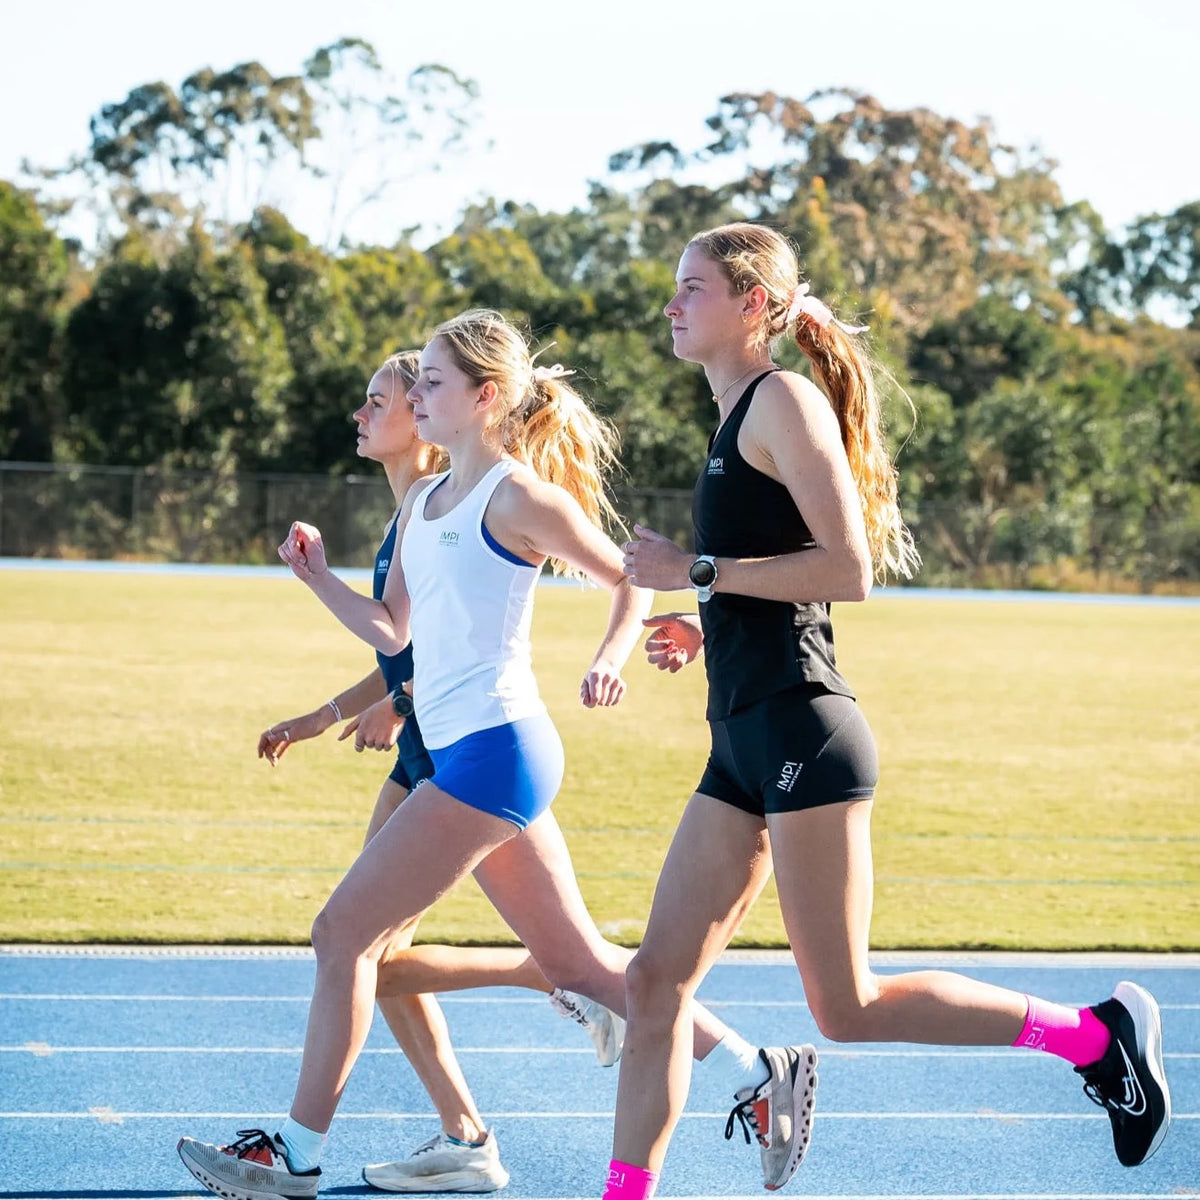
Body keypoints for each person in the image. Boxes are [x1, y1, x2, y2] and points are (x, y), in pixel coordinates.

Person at [605, 221, 1172, 1199]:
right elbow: (777, 570)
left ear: (753, 305)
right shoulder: (737, 413)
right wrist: (709, 619)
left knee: (847, 1006)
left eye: (693, 286)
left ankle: (1093, 1038)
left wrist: (695, 571)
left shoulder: (782, 400)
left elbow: (847, 569)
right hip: (739, 742)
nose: (672, 303)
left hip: (803, 731)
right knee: (654, 983)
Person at [177, 310, 797, 1200]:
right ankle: (755, 1068)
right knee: (580, 968)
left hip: (496, 754)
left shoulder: (517, 497)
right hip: (470, 757)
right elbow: (392, 631)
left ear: (485, 397)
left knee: (342, 934)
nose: (419, 395)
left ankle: (295, 1156)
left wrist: (609, 657)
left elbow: (628, 579)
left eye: (432, 382)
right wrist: (318, 581)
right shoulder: (423, 503)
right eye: (419, 382)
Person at [245, 350, 622, 1194]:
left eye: (386, 397)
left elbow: (438, 651)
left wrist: (400, 699)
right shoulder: (417, 510)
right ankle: (468, 1132)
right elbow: (401, 641)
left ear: (439, 413)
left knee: (359, 946)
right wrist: (326, 713)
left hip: (468, 752)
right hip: (442, 754)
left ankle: (546, 985)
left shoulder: (465, 501)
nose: (369, 411)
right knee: (369, 955)